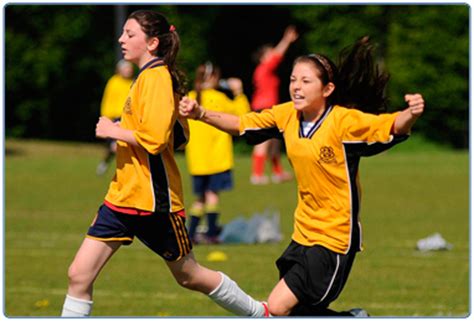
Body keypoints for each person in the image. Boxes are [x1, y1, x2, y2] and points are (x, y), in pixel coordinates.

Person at [179, 36, 425, 316]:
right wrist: (200, 113)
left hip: (334, 238)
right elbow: (242, 124)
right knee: (290, 310)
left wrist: (411, 113)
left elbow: (391, 126)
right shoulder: (286, 116)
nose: (296, 86)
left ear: (327, 88)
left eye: (306, 81)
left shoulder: (343, 122)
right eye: (294, 79)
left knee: (279, 307)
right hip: (302, 234)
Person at [61, 10, 268, 317]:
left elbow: (156, 140)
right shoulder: (147, 77)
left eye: (130, 34)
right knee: (79, 274)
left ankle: (261, 313)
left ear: (152, 42)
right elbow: (177, 135)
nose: (121, 39)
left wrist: (113, 130)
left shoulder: (157, 77)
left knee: (189, 275)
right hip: (121, 197)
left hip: (154, 202)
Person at [185, 62, 250, 244]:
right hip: (217, 158)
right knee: (212, 195)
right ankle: (212, 232)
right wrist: (238, 92)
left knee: (200, 197)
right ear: (213, 78)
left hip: (197, 160)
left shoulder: (190, 97)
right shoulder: (219, 98)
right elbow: (243, 116)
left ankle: (190, 233)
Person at [249, 25, 298, 185]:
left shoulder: (263, 69)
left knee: (275, 141)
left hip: (270, 107)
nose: (272, 55)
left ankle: (278, 173)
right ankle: (257, 175)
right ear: (263, 57)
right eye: (269, 53)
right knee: (264, 142)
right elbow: (277, 55)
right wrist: (286, 40)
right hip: (264, 107)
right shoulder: (264, 68)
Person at [96, 59, 134, 176]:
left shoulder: (133, 83)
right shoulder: (113, 82)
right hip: (114, 117)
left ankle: (125, 170)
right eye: (126, 68)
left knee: (123, 146)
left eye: (129, 68)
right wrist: (105, 117)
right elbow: (107, 100)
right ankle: (107, 163)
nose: (128, 70)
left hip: (127, 118)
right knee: (114, 147)